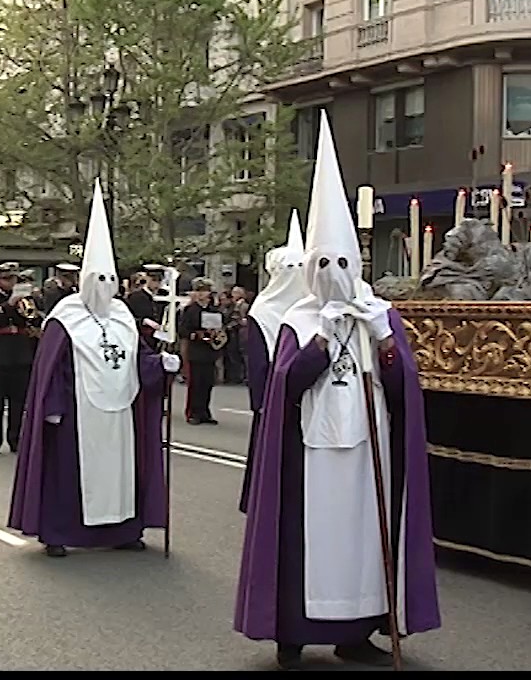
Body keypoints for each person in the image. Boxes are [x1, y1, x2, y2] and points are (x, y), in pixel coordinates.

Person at [234, 111, 440, 670]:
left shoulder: (381, 315)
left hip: (370, 450)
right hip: (311, 454)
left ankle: (356, 631)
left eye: (343, 262)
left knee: (362, 541)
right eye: (323, 262)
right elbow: (284, 385)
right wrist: (321, 340)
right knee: (309, 540)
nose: (333, 271)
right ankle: (294, 634)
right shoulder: (297, 320)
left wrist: (383, 338)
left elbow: (403, 387)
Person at [8, 180, 181, 557]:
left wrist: (161, 365)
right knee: (69, 475)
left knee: (120, 472)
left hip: (119, 413)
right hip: (77, 412)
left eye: (111, 279)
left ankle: (123, 530)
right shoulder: (65, 317)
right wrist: (52, 407)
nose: (105, 286)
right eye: (99, 279)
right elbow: (52, 369)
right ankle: (59, 533)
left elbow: (136, 359)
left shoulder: (122, 315)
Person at [238, 209, 307, 513]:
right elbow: (257, 362)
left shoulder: (313, 306)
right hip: (275, 394)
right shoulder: (263, 310)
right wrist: (261, 402)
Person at [0, 263, 42, 455]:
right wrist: (9, 305)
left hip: (21, 355)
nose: (10, 282)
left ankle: (15, 439)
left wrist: (32, 308)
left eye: (13, 279)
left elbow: (36, 320)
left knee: (18, 402)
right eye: (6, 279)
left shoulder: (28, 299)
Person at [177, 277, 222, 425]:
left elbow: (220, 327)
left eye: (204, 291)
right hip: (195, 350)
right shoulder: (190, 310)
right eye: (198, 291)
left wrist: (216, 335)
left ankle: (205, 412)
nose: (201, 294)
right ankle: (193, 412)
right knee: (196, 383)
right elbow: (182, 330)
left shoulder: (214, 310)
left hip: (209, 350)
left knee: (207, 383)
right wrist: (195, 335)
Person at [125, 266, 165, 351]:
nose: (157, 284)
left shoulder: (164, 296)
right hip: (142, 340)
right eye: (153, 280)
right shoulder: (135, 297)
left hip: (161, 339)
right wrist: (143, 321)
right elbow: (128, 318)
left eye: (159, 281)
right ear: (147, 279)